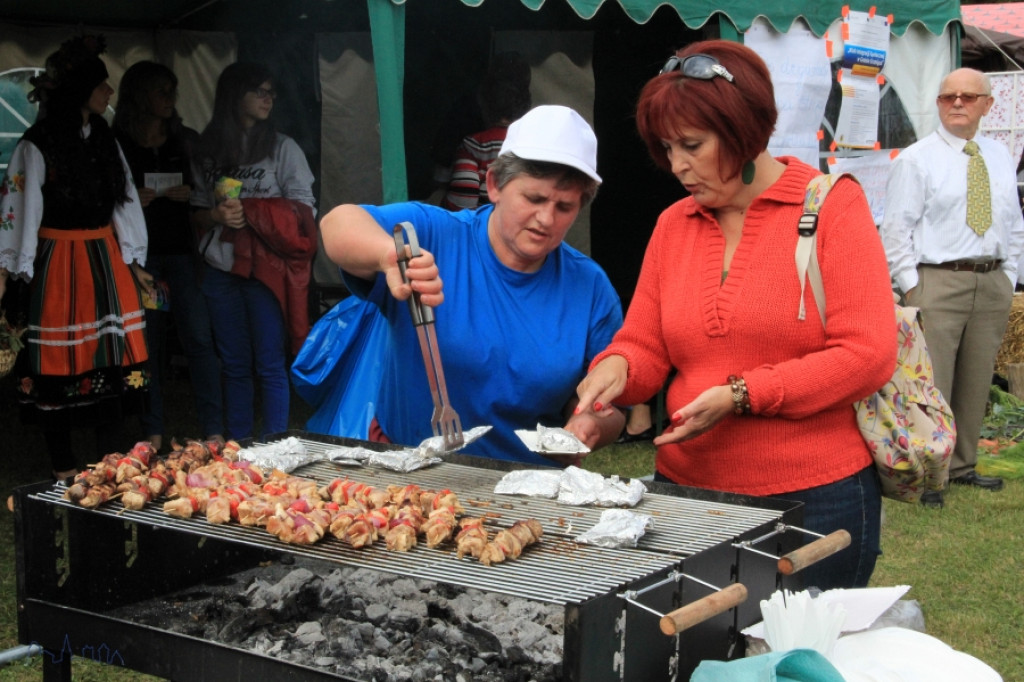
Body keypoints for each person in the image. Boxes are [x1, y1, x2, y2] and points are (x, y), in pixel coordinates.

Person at [575, 41, 897, 591]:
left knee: (793, 665)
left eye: (692, 146)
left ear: (744, 128)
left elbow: (867, 354)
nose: (677, 166)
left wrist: (742, 393)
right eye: (667, 148)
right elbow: (647, 344)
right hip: (688, 493)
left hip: (813, 499)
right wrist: (617, 369)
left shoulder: (832, 208)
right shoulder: (674, 224)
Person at [320, 105, 625, 466]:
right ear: (494, 184)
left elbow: (612, 407)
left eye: (565, 207)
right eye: (534, 198)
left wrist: (591, 423)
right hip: (409, 472)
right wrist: (389, 255)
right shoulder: (435, 235)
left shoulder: (589, 287)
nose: (546, 219)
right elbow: (337, 223)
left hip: (529, 486)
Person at [0, 35, 151, 481]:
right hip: (59, 259)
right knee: (58, 360)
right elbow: (19, 208)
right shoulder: (39, 142)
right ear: (78, 90)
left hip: (103, 257)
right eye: (101, 85)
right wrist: (13, 269)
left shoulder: (104, 136)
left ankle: (109, 456)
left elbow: (124, 199)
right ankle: (63, 463)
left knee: (111, 355)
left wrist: (134, 258)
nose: (109, 93)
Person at [880, 68, 1024, 505]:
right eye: (947, 97)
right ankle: (928, 478)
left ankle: (962, 466)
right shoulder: (916, 159)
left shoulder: (998, 154)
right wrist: (914, 287)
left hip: (991, 280)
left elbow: (1012, 222)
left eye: (966, 96)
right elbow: (895, 230)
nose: (956, 103)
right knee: (931, 386)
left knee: (976, 379)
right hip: (937, 281)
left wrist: (1009, 275)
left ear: (987, 104)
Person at [190, 62, 317, 441]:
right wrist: (214, 214)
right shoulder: (207, 150)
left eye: (270, 92)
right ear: (234, 95)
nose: (268, 99)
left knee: (269, 361)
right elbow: (194, 214)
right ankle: (239, 444)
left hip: (267, 269)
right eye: (258, 91)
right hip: (220, 267)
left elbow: (305, 212)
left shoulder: (283, 147)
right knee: (233, 362)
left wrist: (254, 212)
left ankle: (275, 444)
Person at [114, 60, 224, 451]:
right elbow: (110, 200)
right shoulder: (118, 142)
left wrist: (188, 193)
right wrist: (131, 200)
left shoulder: (183, 138)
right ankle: (151, 432)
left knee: (198, 339)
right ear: (140, 95)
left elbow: (210, 189)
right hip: (143, 261)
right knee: (147, 345)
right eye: (161, 91)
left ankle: (214, 430)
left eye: (172, 91)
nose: (170, 99)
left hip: (181, 254)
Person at [442, 52, 532, 210]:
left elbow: (462, 205)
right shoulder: (535, 147)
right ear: (526, 104)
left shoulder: (473, 147)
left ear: (484, 101)